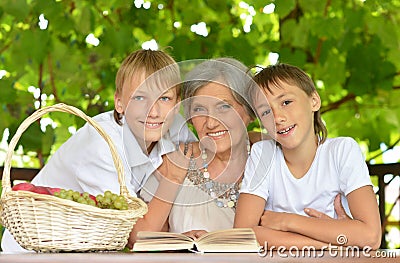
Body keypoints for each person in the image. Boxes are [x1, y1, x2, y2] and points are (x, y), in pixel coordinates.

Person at [1, 49, 196, 252]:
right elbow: (138, 238)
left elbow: (207, 169)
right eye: (140, 98)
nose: (153, 112)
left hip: (93, 248)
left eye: (164, 99)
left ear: (177, 104)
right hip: (36, 250)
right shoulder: (101, 145)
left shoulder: (173, 127)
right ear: (119, 102)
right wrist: (172, 177)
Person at [233, 63, 381, 249]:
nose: (277, 117)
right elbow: (243, 234)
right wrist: (333, 240)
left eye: (286, 102)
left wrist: (288, 222)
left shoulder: (342, 151)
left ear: (314, 101)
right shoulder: (263, 154)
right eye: (265, 111)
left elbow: (370, 237)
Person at [139, 58, 256, 238]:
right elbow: (139, 240)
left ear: (249, 110)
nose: (210, 123)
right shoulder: (173, 162)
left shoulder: (272, 160)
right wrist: (179, 243)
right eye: (199, 110)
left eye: (224, 107)